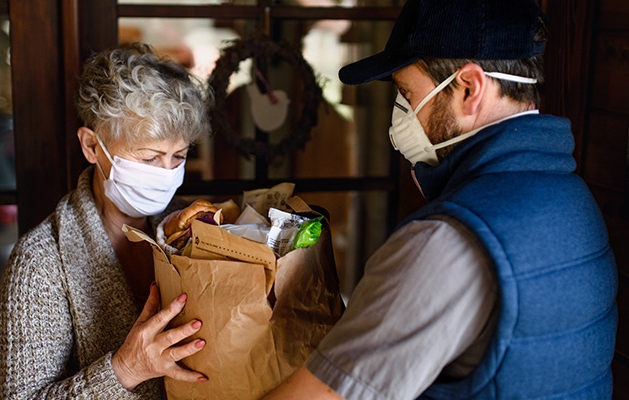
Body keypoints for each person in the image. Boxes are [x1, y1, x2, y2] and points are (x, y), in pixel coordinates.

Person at [262, 0, 618, 399]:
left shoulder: (447, 240)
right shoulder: (575, 200)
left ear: (468, 88)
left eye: (406, 94)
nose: (400, 115)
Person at [0, 44, 212, 399]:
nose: (167, 173)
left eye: (179, 156)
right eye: (149, 157)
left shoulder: (192, 227)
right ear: (92, 146)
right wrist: (125, 369)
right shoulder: (40, 263)